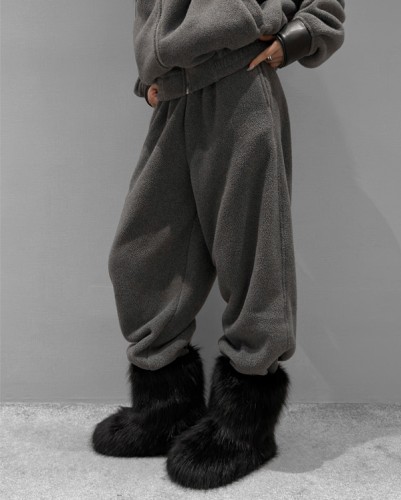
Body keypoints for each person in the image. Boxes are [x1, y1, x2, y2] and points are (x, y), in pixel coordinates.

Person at [91, 0, 346, 490]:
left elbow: (326, 7)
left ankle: (243, 427)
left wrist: (294, 39)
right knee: (139, 257)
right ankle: (165, 409)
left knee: (253, 255)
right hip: (173, 98)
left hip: (238, 84)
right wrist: (148, 76)